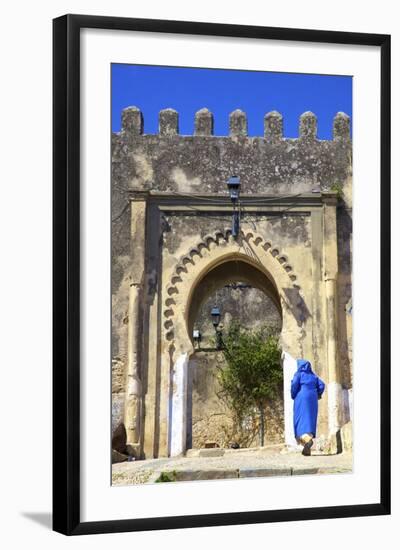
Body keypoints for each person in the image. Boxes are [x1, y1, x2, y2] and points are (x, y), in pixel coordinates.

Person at [291, 359, 325, 456]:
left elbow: (294, 385)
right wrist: (318, 394)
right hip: (313, 398)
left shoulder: (298, 374)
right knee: (310, 420)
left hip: (302, 398)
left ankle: (307, 440)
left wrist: (293, 394)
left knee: (300, 420)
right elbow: (322, 385)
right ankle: (307, 448)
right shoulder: (313, 376)